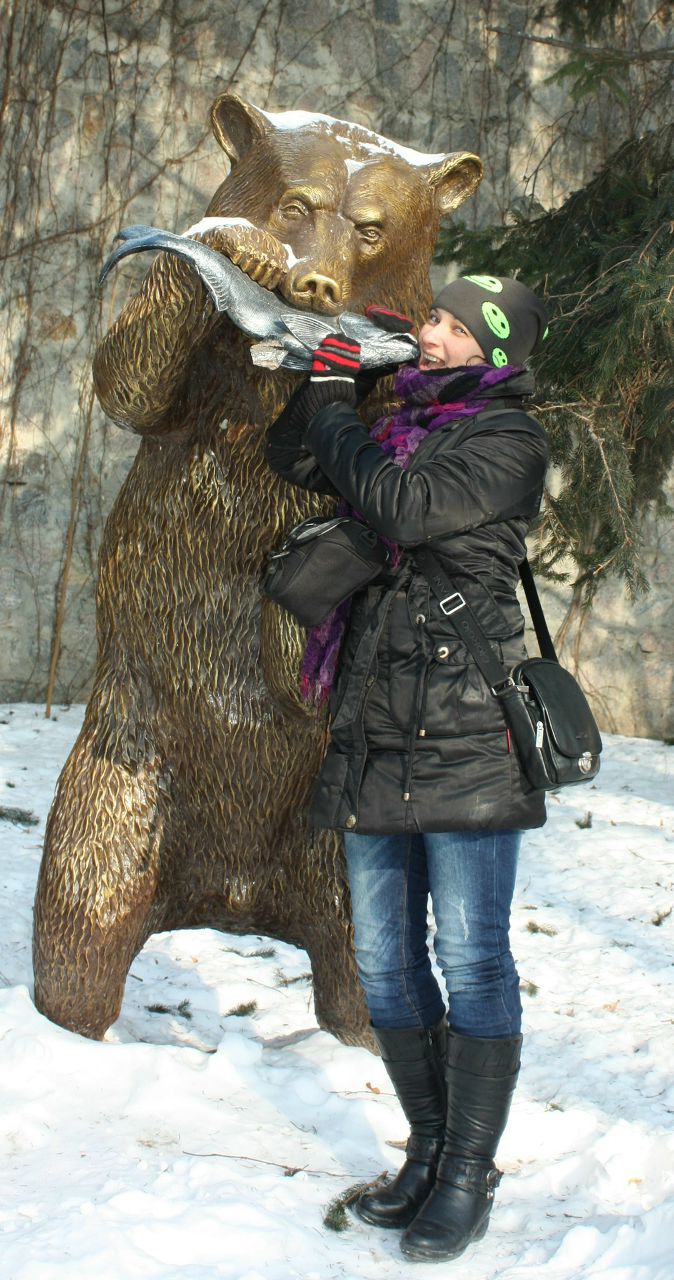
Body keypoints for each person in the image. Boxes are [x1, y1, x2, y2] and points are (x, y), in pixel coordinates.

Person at [265, 275, 550, 1263]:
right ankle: (426, 1153)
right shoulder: (401, 423)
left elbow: (401, 506)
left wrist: (343, 405)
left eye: (441, 318)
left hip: (471, 731)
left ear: (483, 340)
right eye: (425, 315)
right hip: (377, 723)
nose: (423, 328)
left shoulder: (506, 440)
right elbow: (291, 454)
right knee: (385, 968)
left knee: (471, 963)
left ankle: (468, 1171)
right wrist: (324, 381)